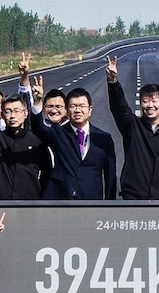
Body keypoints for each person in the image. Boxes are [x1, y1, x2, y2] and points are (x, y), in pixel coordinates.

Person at [25, 73, 117, 201]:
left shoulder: (103, 138)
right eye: (73, 106)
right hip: (61, 198)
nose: (77, 110)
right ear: (67, 110)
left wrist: (110, 204)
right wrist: (37, 102)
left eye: (82, 106)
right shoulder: (58, 132)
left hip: (90, 199)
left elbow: (110, 174)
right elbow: (39, 129)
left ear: (90, 110)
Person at [106, 57, 159, 200]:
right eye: (145, 101)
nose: (150, 106)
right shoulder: (132, 127)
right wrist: (113, 83)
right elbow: (119, 108)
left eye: (154, 101)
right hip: (134, 199)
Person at [0, 87, 49, 201]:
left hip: (29, 201)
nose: (12, 116)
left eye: (17, 111)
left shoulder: (36, 140)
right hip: (0, 202)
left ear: (25, 113)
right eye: (8, 111)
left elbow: (46, 171)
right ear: (2, 115)